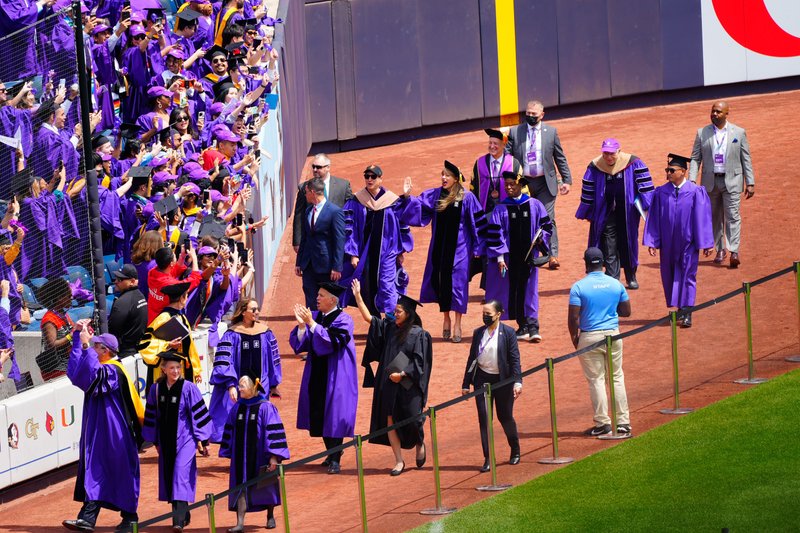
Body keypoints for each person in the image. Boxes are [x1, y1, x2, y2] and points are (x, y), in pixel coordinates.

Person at [63, 323, 143, 533]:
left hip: (115, 431)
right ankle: (87, 518)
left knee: (118, 472)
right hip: (99, 429)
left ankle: (129, 518)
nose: (93, 349)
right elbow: (76, 375)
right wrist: (77, 339)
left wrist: (86, 346)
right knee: (96, 469)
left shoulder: (114, 370)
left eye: (96, 346)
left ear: (105, 351)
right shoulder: (101, 364)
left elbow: (93, 378)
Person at [399, 161, 486, 343]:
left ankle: (457, 323)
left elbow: (477, 222)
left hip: (461, 250)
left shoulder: (467, 197)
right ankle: (446, 318)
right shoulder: (437, 195)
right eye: (442, 174)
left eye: (447, 175)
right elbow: (419, 207)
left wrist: (478, 247)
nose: (443, 178)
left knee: (459, 286)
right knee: (442, 282)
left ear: (456, 179)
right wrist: (408, 197)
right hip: (439, 248)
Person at [352, 279, 432, 476]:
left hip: (408, 384)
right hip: (388, 382)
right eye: (395, 311)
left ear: (409, 314)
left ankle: (419, 440)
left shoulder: (419, 334)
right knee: (390, 420)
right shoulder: (390, 328)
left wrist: (404, 374)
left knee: (413, 419)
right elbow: (370, 320)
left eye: (398, 311)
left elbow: (420, 362)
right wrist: (358, 297)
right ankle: (398, 461)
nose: (394, 314)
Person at [289, 282, 358, 475]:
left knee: (335, 415)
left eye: (321, 295)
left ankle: (335, 458)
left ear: (332, 300)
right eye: (317, 295)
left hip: (337, 374)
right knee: (320, 412)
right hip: (317, 373)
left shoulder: (345, 320)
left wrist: (311, 324)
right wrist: (302, 326)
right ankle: (332, 452)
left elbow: (333, 342)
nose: (316, 298)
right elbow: (300, 344)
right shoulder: (317, 317)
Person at [143, 350, 212, 532]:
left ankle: (178, 521)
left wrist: (203, 441)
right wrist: (155, 440)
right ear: (163, 369)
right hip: (165, 442)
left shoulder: (188, 388)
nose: (176, 371)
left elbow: (199, 415)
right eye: (172, 368)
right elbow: (152, 416)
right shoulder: (155, 390)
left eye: (178, 367)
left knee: (180, 474)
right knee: (170, 476)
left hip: (185, 440)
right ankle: (184, 513)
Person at [643, 154, 714, 328]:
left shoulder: (695, 191)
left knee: (688, 274)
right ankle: (680, 307)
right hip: (668, 243)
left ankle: (687, 311)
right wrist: (652, 240)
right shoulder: (661, 192)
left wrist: (705, 242)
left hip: (688, 243)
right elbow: (654, 218)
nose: (668, 173)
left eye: (672, 170)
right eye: (667, 170)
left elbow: (703, 218)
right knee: (669, 274)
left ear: (683, 171)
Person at [567, 248, 632, 436]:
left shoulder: (578, 287)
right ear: (603, 262)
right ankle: (623, 422)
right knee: (617, 377)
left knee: (597, 380)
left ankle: (603, 423)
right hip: (614, 334)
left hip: (590, 337)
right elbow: (627, 312)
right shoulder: (615, 284)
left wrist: (575, 339)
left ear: (586, 263)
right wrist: (609, 309)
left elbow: (573, 319)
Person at [575, 138, 655, 289]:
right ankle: (614, 280)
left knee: (628, 243)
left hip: (627, 213)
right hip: (605, 213)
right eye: (605, 153)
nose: (608, 157)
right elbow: (588, 189)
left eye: (612, 153)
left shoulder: (633, 163)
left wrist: (648, 205)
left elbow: (645, 186)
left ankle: (631, 276)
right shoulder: (595, 166)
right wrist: (588, 211)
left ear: (619, 151)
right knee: (609, 245)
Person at [505, 100, 573, 269]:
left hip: (545, 182)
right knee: (523, 218)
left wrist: (566, 180)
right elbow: (506, 156)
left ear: (542, 115)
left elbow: (559, 157)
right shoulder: (515, 131)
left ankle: (552, 255)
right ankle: (526, 254)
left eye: (534, 114)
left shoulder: (551, 132)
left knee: (548, 218)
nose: (530, 116)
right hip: (523, 183)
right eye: (527, 113)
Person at [485, 171, 552, 342]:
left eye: (512, 184)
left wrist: (540, 239)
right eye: (506, 184)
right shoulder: (501, 208)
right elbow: (496, 233)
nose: (508, 187)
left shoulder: (535, 205)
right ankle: (523, 326)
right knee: (513, 291)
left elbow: (547, 227)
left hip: (529, 259)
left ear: (520, 184)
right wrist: (500, 259)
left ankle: (533, 326)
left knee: (530, 291)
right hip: (509, 260)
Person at [219, 372, 290, 532]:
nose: (239, 389)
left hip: (260, 456)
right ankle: (240, 523)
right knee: (240, 487)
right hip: (240, 457)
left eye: (242, 386)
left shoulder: (266, 407)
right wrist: (229, 449)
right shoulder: (238, 407)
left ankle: (270, 515)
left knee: (266, 486)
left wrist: (273, 457)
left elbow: (274, 432)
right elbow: (229, 428)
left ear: (251, 387)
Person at [688, 101, 755, 268]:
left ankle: (734, 251)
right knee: (714, 217)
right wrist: (691, 180)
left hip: (732, 180)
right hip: (710, 181)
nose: (714, 114)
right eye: (712, 111)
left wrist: (750, 182)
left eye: (718, 112)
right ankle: (720, 249)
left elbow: (745, 158)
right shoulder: (702, 132)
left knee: (732, 215)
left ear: (726, 114)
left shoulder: (739, 133)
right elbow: (696, 158)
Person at [461, 300, 522, 472]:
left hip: (503, 380)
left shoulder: (508, 333)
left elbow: (514, 359)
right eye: (483, 314)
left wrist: (518, 381)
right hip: (482, 380)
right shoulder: (478, 333)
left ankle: (515, 449)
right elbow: (472, 359)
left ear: (498, 314)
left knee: (505, 417)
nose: (485, 317)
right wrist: (466, 383)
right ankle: (488, 457)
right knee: (484, 418)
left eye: (488, 314)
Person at [209, 298, 282, 443]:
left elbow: (273, 360)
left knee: (258, 420)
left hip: (260, 387)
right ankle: (238, 455)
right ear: (243, 312)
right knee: (236, 421)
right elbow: (224, 361)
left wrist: (273, 385)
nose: (257, 312)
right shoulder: (231, 334)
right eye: (253, 309)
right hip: (238, 388)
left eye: (257, 309)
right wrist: (230, 385)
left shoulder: (265, 333)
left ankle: (256, 457)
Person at [341, 164, 409, 316]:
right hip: (365, 252)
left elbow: (401, 224)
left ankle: (391, 321)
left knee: (387, 285)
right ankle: (375, 323)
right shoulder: (356, 201)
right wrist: (352, 253)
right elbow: (349, 228)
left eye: (373, 176)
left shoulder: (392, 201)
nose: (369, 179)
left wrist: (401, 249)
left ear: (380, 179)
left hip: (388, 251)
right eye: (367, 176)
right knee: (368, 286)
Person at [138, 281, 203, 390]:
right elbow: (145, 345)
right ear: (181, 299)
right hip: (165, 373)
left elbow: (190, 346)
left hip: (182, 370)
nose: (186, 299)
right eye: (186, 296)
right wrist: (167, 345)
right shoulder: (163, 318)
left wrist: (196, 370)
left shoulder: (182, 318)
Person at [295, 177, 345, 310]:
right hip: (308, 265)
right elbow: (304, 238)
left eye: (306, 192)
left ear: (312, 192)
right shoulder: (308, 211)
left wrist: (337, 266)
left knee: (329, 300)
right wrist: (299, 262)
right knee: (311, 300)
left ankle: (331, 329)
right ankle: (313, 328)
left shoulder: (335, 212)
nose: (304, 194)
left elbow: (339, 240)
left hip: (327, 266)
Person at [292, 153, 352, 253]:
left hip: (336, 237)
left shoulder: (343, 185)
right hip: (315, 241)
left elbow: (350, 210)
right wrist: (297, 241)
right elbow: (299, 215)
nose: (315, 170)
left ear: (328, 167)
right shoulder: (304, 187)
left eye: (318, 167)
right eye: (313, 166)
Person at [471, 129, 524, 214]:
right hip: (485, 210)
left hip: (509, 212)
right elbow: (473, 188)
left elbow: (522, 188)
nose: (492, 146)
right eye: (490, 143)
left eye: (495, 143)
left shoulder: (513, 163)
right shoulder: (479, 163)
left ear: (503, 145)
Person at [36, 277, 74, 381]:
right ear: (59, 298)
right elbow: (52, 345)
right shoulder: (49, 319)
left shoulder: (63, 314)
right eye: (69, 296)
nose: (72, 298)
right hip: (57, 370)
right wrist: (70, 336)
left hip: (69, 364)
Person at [108, 264, 148, 359]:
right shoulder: (140, 296)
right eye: (116, 278)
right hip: (139, 349)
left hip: (125, 353)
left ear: (132, 281)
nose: (116, 282)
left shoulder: (122, 302)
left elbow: (112, 330)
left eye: (120, 279)